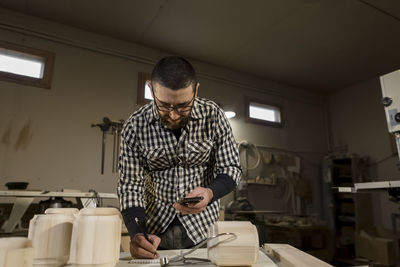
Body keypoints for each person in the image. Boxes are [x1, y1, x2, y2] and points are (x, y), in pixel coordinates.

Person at [117, 56, 241, 259]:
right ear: (151, 89)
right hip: (155, 233)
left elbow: (231, 168)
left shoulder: (214, 116)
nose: (174, 115)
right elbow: (130, 185)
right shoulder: (134, 126)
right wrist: (137, 233)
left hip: (203, 231)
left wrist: (210, 193)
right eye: (164, 105)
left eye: (183, 105)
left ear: (196, 90)